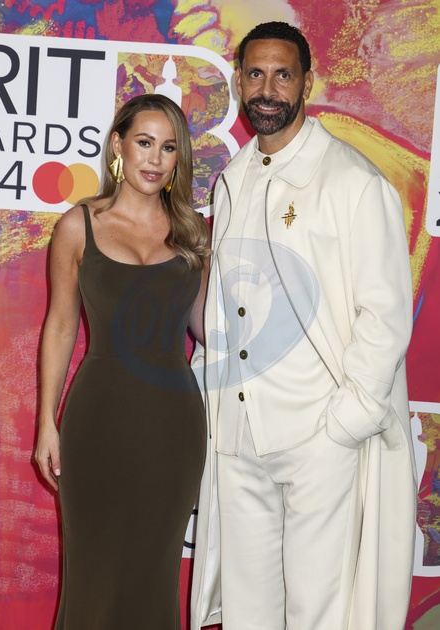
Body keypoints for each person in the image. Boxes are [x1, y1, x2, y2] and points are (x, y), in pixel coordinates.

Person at [190, 21, 417, 630]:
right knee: (249, 612)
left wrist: (344, 424)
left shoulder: (353, 181)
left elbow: (385, 316)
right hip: (239, 433)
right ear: (238, 83)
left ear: (307, 84)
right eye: (255, 75)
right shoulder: (234, 177)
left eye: (282, 75)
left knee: (320, 611)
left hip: (318, 434)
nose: (267, 90)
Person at [35, 93, 210, 630]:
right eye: (144, 143)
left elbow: (207, 329)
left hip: (173, 428)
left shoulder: (193, 233)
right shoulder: (78, 224)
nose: (155, 159)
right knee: (93, 580)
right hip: (97, 423)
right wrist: (46, 423)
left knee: (152, 578)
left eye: (168, 148)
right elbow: (60, 325)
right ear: (118, 145)